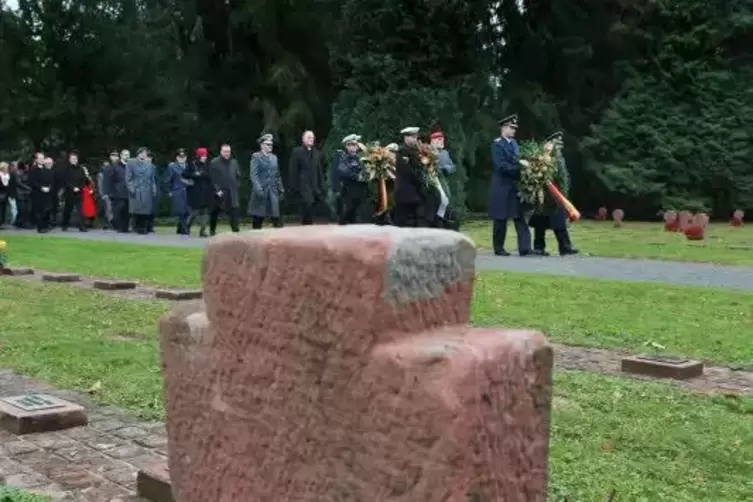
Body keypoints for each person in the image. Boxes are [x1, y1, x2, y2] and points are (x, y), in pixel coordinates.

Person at [487, 114, 537, 256]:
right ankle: (499, 248)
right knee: (501, 218)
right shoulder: (497, 144)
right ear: (503, 128)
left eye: (515, 127)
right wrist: (521, 167)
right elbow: (501, 166)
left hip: (515, 186)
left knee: (520, 217)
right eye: (511, 127)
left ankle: (525, 248)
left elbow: (518, 159)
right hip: (501, 185)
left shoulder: (514, 144)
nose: (514, 130)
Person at [529, 131, 580, 256]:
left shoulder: (559, 157)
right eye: (556, 143)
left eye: (560, 143)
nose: (559, 145)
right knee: (541, 221)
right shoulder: (544, 157)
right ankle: (539, 247)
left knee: (559, 221)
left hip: (557, 194)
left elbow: (563, 177)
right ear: (549, 144)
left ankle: (565, 246)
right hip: (546, 194)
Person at [289, 130, 328, 225]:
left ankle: (307, 227)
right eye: (309, 137)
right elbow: (293, 170)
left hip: (315, 186)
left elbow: (319, 171)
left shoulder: (317, 153)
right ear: (303, 139)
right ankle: (306, 227)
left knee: (313, 207)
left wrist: (321, 185)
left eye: (312, 138)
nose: (311, 139)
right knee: (307, 205)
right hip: (303, 186)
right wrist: (294, 186)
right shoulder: (297, 151)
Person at [393, 126, 428, 227]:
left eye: (415, 137)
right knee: (401, 221)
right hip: (405, 191)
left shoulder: (416, 151)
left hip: (415, 192)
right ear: (405, 137)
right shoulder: (402, 151)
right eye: (412, 137)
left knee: (419, 218)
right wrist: (420, 181)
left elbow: (420, 167)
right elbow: (407, 172)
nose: (414, 140)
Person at [248, 133, 284, 229]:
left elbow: (277, 175)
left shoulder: (274, 158)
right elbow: (253, 175)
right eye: (268, 144)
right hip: (261, 192)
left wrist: (281, 189)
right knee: (258, 220)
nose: (270, 146)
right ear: (262, 145)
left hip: (272, 192)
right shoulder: (256, 156)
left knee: (277, 220)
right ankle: (255, 241)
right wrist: (258, 189)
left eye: (271, 144)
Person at [425, 128, 458, 230]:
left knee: (446, 200)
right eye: (439, 139)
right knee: (440, 201)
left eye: (442, 139)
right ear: (433, 141)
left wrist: (446, 169)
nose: (442, 141)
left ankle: (441, 221)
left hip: (443, 180)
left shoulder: (445, 153)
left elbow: (452, 166)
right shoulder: (426, 151)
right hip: (431, 181)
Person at [208, 143, 241, 235]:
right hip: (219, 192)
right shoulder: (214, 162)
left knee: (234, 210)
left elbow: (238, 175)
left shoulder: (234, 162)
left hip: (232, 191)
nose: (227, 153)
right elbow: (212, 178)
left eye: (228, 151)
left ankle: (235, 230)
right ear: (221, 152)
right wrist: (217, 190)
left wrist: (236, 185)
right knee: (215, 211)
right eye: (225, 151)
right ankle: (212, 230)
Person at [336, 134, 368, 224]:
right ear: (347, 146)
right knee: (347, 211)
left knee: (356, 212)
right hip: (349, 189)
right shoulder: (343, 157)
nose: (355, 147)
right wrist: (357, 176)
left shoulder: (360, 157)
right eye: (352, 145)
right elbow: (342, 170)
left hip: (359, 189)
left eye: (356, 145)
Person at [126, 147, 157, 234]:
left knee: (146, 211)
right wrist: (132, 189)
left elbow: (152, 179)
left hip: (147, 190)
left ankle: (143, 228)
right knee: (136, 210)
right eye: (142, 153)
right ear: (138, 154)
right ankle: (134, 227)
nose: (143, 155)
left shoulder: (150, 165)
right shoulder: (131, 163)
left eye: (145, 153)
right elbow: (128, 178)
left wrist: (154, 189)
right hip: (136, 189)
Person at [183, 147, 213, 237]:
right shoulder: (192, 164)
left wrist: (203, 174)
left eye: (205, 155)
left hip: (206, 191)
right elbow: (184, 174)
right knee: (195, 212)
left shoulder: (208, 164)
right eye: (203, 155)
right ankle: (187, 226)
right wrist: (194, 175)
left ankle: (203, 230)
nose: (205, 157)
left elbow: (210, 177)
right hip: (195, 191)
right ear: (199, 156)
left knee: (205, 212)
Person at [60, 151, 88, 232]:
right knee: (67, 210)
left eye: (75, 159)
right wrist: (73, 188)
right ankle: (64, 225)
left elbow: (83, 180)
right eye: (72, 159)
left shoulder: (81, 169)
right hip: (69, 193)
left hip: (79, 193)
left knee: (80, 211)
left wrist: (79, 187)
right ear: (69, 160)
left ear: (77, 159)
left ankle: (82, 227)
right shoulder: (66, 169)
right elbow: (65, 181)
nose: (74, 160)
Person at [165, 148, 191, 235]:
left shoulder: (189, 166)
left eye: (183, 157)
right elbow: (168, 180)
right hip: (177, 191)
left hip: (187, 191)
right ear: (177, 157)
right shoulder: (172, 166)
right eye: (180, 157)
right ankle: (184, 229)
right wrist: (169, 191)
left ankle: (180, 228)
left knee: (187, 211)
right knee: (181, 211)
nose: (182, 158)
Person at [104, 149, 130, 232]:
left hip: (128, 192)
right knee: (118, 210)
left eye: (128, 155)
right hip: (117, 192)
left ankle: (125, 227)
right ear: (121, 156)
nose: (127, 156)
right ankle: (119, 227)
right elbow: (108, 180)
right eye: (125, 155)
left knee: (127, 211)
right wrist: (108, 192)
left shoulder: (130, 166)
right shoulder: (115, 166)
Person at [28, 157, 55, 233]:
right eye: (39, 158)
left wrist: (49, 188)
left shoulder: (46, 170)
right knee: (39, 211)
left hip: (47, 193)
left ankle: (45, 225)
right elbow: (32, 182)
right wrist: (41, 188)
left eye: (42, 158)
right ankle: (40, 227)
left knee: (47, 209)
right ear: (36, 160)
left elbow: (51, 180)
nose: (41, 160)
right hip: (38, 193)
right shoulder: (33, 169)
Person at [10, 162, 31, 228]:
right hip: (20, 193)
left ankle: (19, 222)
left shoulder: (25, 173)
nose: (27, 167)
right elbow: (18, 183)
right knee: (22, 209)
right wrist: (29, 188)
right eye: (26, 166)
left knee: (26, 209)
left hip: (25, 193)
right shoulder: (18, 173)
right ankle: (22, 223)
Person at [0, 162, 10, 227]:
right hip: (1, 192)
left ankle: (2, 222)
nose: (7, 169)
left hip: (6, 193)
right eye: (6, 167)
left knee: (3, 209)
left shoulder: (7, 175)